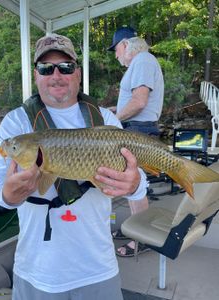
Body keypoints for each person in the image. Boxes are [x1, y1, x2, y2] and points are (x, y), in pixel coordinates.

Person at [0, 33, 148, 300]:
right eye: (45, 68)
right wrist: (7, 195)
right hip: (36, 270)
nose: (56, 75)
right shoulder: (16, 124)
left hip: (98, 268)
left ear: (77, 73)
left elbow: (138, 177)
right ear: (36, 75)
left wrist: (133, 185)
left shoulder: (105, 119)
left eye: (65, 67)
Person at [108, 26, 164, 257]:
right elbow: (136, 102)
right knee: (132, 186)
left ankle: (141, 239)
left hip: (138, 131)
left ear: (126, 45)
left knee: (136, 187)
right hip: (137, 129)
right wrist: (114, 110)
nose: (116, 55)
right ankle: (134, 230)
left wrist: (113, 121)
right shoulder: (143, 62)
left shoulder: (141, 60)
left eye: (116, 49)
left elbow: (140, 102)